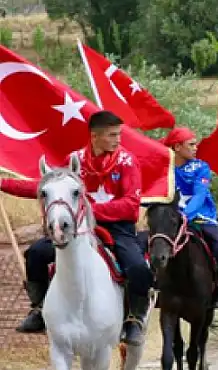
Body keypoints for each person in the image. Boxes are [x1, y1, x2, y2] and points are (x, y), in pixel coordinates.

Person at [0, 110, 152, 345]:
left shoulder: (128, 161)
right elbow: (45, 187)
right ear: (94, 136)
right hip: (77, 228)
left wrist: (90, 212)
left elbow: (131, 207)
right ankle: (39, 310)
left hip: (117, 228)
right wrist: (3, 184)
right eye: (112, 135)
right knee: (37, 254)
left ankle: (134, 319)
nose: (118, 139)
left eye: (118, 134)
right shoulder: (76, 160)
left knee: (138, 267)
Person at [162, 127, 218, 308]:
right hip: (170, 219)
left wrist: (185, 215)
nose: (196, 148)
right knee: (149, 244)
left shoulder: (201, 167)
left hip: (200, 218)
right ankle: (153, 288)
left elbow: (199, 196)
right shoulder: (164, 169)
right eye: (191, 144)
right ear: (177, 147)